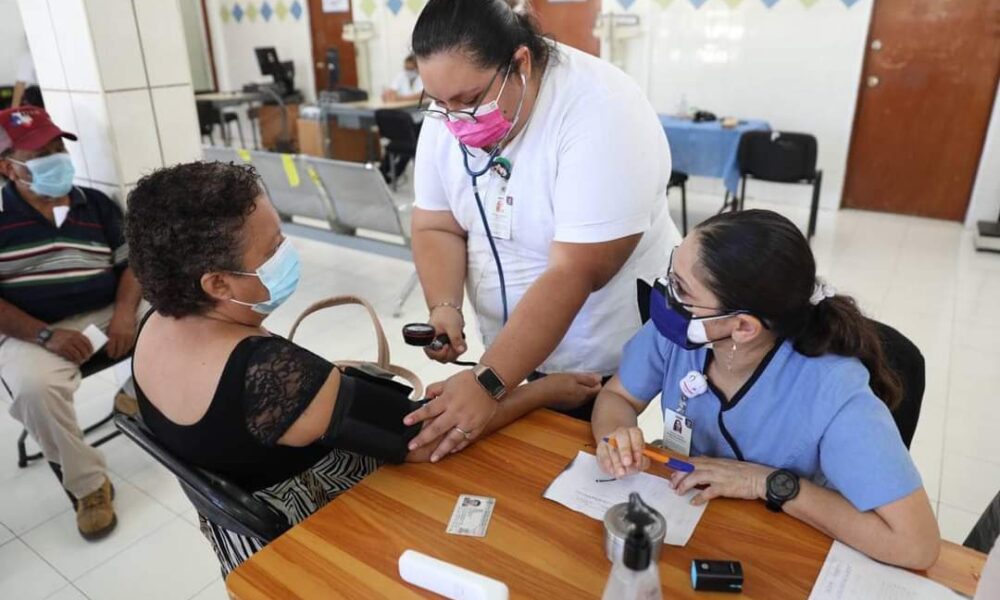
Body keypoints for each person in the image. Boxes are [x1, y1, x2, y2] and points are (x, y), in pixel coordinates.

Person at [125, 161, 601, 574]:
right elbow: (427, 438)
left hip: (242, 543)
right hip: (322, 532)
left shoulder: (156, 325)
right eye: (272, 250)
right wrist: (544, 391)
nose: (286, 252)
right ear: (217, 283)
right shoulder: (271, 376)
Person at [404, 0, 679, 463]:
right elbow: (436, 223)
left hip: (592, 344)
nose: (454, 121)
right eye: (439, 105)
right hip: (509, 348)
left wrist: (490, 381)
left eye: (469, 101)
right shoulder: (453, 111)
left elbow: (575, 271)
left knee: (567, 465)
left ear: (520, 63)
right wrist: (445, 306)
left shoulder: (602, 110)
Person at [591, 209, 941, 570]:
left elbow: (917, 545)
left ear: (743, 327)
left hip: (784, 549)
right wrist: (615, 435)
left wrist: (766, 482)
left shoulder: (833, 392)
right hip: (692, 524)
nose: (667, 296)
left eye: (681, 288)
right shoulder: (681, 336)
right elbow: (618, 397)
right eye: (671, 273)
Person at [0, 106, 142, 540]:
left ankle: (137, 394)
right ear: (8, 167)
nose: (57, 157)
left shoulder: (94, 204)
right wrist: (45, 335)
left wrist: (122, 315)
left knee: (183, 313)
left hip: (104, 311)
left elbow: (131, 267)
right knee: (34, 388)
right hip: (32, 328)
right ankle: (89, 487)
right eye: (41, 153)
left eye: (58, 146)